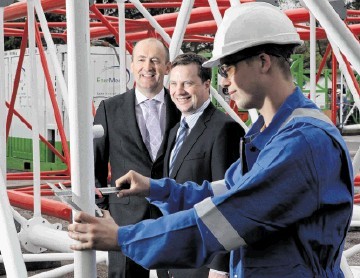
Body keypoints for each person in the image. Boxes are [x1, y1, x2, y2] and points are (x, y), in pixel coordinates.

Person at [69, 3, 354, 277]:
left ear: (263, 62)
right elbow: (223, 193)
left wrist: (123, 237)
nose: (222, 82)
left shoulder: (302, 142)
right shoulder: (270, 135)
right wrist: (156, 189)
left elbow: (220, 220)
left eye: (228, 69)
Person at [93, 38, 180, 278]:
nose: (148, 67)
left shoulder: (181, 107)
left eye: (155, 60)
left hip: (172, 215)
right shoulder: (110, 109)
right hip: (124, 219)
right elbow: (93, 166)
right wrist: (103, 211)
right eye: (141, 59)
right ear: (132, 65)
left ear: (167, 67)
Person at [162, 53, 244, 277]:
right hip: (176, 256)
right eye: (175, 83)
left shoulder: (224, 129)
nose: (179, 91)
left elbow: (227, 200)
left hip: (204, 262)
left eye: (188, 83)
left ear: (207, 85)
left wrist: (219, 266)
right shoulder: (174, 132)